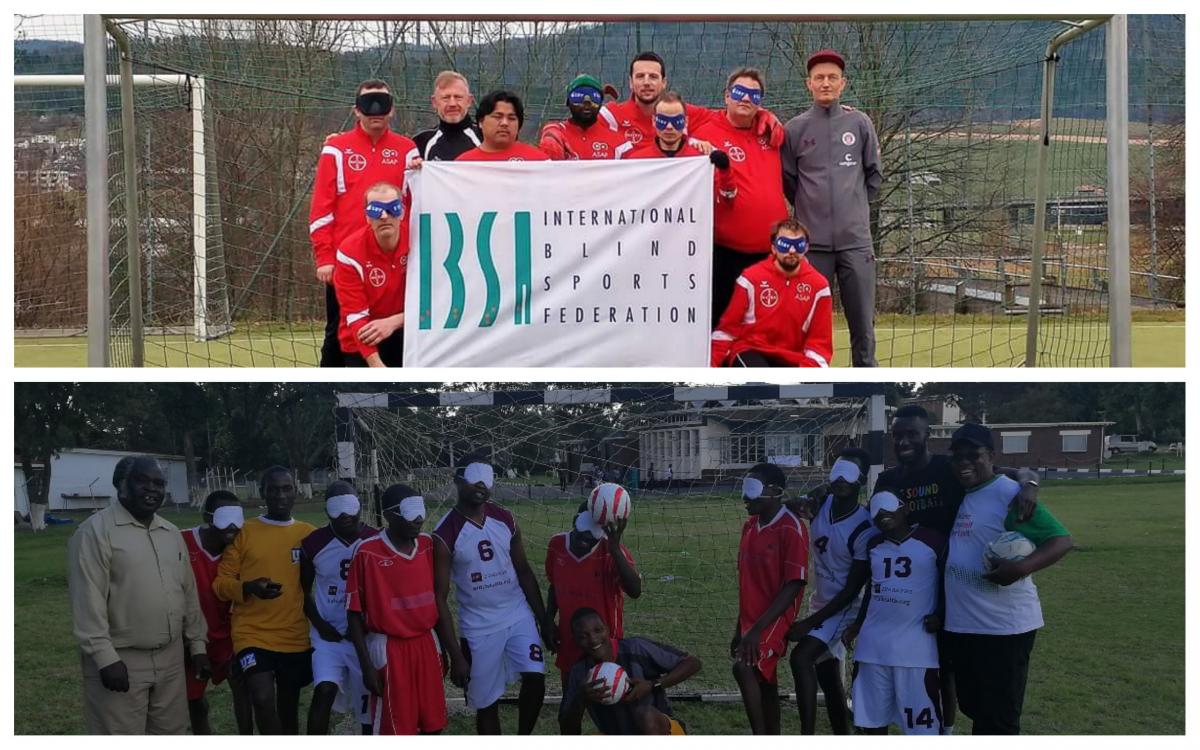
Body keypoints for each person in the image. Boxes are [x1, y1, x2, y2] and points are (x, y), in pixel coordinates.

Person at [870, 403, 1042, 734]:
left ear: (927, 436)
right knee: (921, 662)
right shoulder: (887, 479)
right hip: (907, 585)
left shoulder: (946, 468)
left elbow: (1006, 473)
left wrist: (1029, 482)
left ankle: (945, 732)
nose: (903, 441)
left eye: (912, 434)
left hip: (949, 587)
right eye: (897, 435)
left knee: (945, 665)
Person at [940, 423, 1073, 734]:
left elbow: (1061, 540)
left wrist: (1022, 568)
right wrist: (1028, 476)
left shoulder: (1009, 495)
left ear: (991, 456)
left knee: (998, 721)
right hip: (964, 626)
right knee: (973, 707)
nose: (964, 462)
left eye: (973, 455)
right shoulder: (962, 490)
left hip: (1004, 629)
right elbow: (1017, 469)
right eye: (957, 456)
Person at [67, 456, 208, 734]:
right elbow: (87, 600)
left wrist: (198, 646)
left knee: (172, 732)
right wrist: (105, 659)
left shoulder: (170, 533)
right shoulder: (94, 533)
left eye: (158, 483)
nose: (152, 489)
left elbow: (188, 593)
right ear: (121, 484)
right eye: (142, 481)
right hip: (121, 659)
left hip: (171, 660)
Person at [432, 455, 549, 734]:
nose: (482, 483)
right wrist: (456, 655)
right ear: (458, 480)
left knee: (536, 677)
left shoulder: (505, 518)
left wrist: (544, 620)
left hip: (516, 613)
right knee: (487, 703)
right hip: (479, 627)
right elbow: (439, 598)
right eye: (475, 476)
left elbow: (523, 571)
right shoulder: (444, 534)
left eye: (488, 476)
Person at [780, 49, 882, 367]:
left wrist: (851, 211)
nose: (826, 83)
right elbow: (789, 182)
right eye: (819, 78)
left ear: (843, 84)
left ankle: (867, 387)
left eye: (832, 78)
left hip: (856, 244)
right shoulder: (794, 130)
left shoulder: (859, 122)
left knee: (863, 331)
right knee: (806, 328)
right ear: (808, 83)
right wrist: (815, 211)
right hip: (813, 249)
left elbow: (873, 176)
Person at [308, 79, 416, 368]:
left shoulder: (408, 151)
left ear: (392, 110)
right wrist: (324, 256)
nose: (376, 110)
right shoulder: (336, 149)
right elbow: (322, 207)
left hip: (394, 260)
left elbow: (417, 205)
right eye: (369, 104)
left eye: (383, 102)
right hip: (347, 261)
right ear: (356, 110)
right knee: (338, 334)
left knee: (401, 334)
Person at [213, 466, 317, 735]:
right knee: (261, 698)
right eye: (273, 489)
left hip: (293, 634)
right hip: (252, 634)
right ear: (262, 493)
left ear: (296, 492)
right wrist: (248, 587)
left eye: (286, 488)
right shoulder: (245, 532)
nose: (280, 495)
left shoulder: (309, 535)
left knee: (288, 705)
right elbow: (221, 585)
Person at [346, 484, 452, 735]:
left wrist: (446, 650)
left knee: (433, 724)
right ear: (390, 516)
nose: (418, 519)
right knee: (395, 729)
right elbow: (353, 613)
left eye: (420, 511)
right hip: (389, 649)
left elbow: (438, 601)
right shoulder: (366, 552)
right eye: (410, 512)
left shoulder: (427, 545)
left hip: (427, 644)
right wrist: (367, 666)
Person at [786, 448, 875, 734]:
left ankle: (807, 735)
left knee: (801, 659)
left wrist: (809, 623)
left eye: (849, 473)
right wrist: (816, 491)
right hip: (821, 601)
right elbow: (790, 506)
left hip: (844, 607)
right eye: (837, 470)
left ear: (861, 480)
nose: (841, 479)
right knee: (829, 679)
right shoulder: (820, 504)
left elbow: (852, 590)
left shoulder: (865, 526)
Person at [692, 68, 791, 321]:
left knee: (769, 329)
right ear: (726, 96)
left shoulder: (770, 132)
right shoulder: (705, 130)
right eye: (740, 92)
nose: (746, 99)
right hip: (725, 255)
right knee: (722, 328)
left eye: (754, 95)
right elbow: (662, 112)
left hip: (770, 256)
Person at [848, 490, 946, 735]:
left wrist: (942, 614)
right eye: (876, 510)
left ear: (905, 509)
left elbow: (949, 583)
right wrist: (858, 624)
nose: (882, 514)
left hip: (916, 652)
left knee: (921, 730)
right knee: (870, 725)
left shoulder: (933, 541)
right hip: (872, 649)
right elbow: (872, 587)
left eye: (888, 507)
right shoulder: (873, 545)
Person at [732, 463, 808, 734]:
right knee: (764, 682)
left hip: (774, 618)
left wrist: (757, 629)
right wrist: (740, 628)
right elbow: (747, 583)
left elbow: (794, 584)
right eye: (744, 489)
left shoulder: (792, 528)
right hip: (751, 620)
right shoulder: (749, 526)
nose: (745, 497)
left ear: (775, 492)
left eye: (752, 490)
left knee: (743, 668)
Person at [300, 481, 378, 735]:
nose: (344, 514)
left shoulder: (376, 539)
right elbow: (303, 591)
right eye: (337, 508)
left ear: (360, 506)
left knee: (369, 703)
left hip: (366, 637)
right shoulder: (313, 543)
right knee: (324, 690)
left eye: (349, 506)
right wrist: (321, 626)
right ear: (326, 510)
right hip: (328, 636)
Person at [711, 217, 832, 367]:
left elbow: (820, 343)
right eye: (785, 245)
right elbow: (726, 330)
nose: (792, 251)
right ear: (774, 247)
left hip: (793, 358)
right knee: (762, 384)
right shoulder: (750, 278)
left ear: (806, 248)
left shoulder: (820, 287)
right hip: (753, 351)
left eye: (798, 245)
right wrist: (710, 370)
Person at [559, 608, 701, 735]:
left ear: (607, 629)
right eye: (583, 637)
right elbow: (568, 731)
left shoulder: (635, 648)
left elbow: (692, 663)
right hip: (613, 734)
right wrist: (581, 698)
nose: (593, 639)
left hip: (664, 731)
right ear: (576, 641)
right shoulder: (579, 672)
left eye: (598, 630)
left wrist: (652, 685)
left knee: (645, 715)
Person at [544, 501, 642, 682]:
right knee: (572, 695)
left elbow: (635, 591)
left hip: (603, 641)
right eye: (583, 531)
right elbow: (554, 586)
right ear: (575, 521)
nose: (586, 539)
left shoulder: (612, 551)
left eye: (594, 535)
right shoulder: (557, 544)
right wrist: (549, 620)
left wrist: (614, 550)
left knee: (607, 694)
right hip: (571, 637)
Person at [604, 51, 782, 149]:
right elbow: (579, 127)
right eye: (640, 76)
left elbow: (727, 116)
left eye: (653, 76)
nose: (646, 82)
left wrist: (761, 113)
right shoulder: (612, 115)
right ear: (630, 82)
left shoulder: (686, 113)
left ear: (664, 82)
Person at [182, 490, 253, 735]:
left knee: (242, 689)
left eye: (237, 517)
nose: (232, 525)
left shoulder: (241, 548)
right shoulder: (180, 542)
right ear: (208, 517)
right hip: (192, 638)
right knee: (195, 701)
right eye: (225, 516)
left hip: (230, 636)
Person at [332, 181, 409, 367]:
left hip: (408, 333)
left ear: (402, 212)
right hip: (363, 340)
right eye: (376, 210)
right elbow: (356, 317)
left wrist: (394, 322)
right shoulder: (349, 253)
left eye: (392, 208)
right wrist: (378, 368)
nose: (384, 216)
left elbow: (436, 302)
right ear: (367, 217)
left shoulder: (422, 240)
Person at [538, 74, 628, 160]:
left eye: (594, 97)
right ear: (568, 102)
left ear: (601, 103)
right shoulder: (555, 134)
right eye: (578, 96)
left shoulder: (620, 144)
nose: (587, 102)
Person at [456, 90, 551, 162]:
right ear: (481, 122)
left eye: (511, 118)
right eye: (498, 117)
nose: (505, 123)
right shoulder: (463, 164)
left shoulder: (539, 161)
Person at [412, 71, 482, 162]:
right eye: (446, 98)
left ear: (469, 101)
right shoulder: (421, 142)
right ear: (434, 102)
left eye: (458, 97)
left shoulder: (486, 138)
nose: (452, 104)